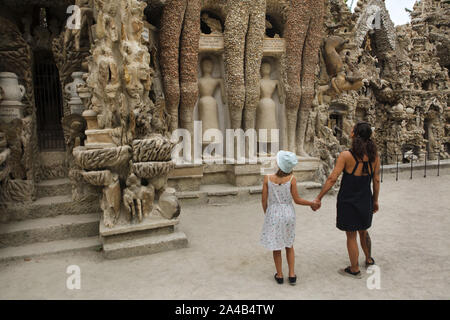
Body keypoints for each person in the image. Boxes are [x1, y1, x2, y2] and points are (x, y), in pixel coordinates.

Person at [314, 122, 380, 278]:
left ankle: (354, 268)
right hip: (365, 199)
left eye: (352, 129)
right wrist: (375, 200)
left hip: (348, 201)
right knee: (363, 231)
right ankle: (369, 258)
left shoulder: (346, 156)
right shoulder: (374, 157)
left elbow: (332, 178)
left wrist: (319, 197)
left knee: (351, 235)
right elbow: (376, 181)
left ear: (354, 135)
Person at [260, 151, 320, 285]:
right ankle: (292, 274)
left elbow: (263, 200)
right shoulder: (292, 179)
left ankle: (280, 275)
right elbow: (297, 200)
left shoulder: (267, 178)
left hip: (273, 212)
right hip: (288, 213)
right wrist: (311, 203)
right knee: (289, 244)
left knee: (276, 246)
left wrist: (268, 213)